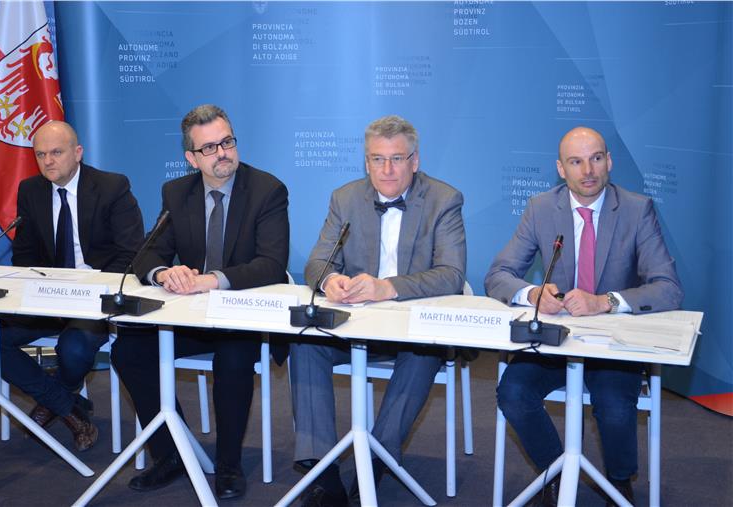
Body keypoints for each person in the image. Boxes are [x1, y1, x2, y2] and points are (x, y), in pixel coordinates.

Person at [484, 126, 683, 506]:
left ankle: (619, 482)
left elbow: (668, 288)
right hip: (555, 342)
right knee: (513, 393)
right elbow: (498, 275)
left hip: (613, 344)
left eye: (596, 159)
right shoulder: (542, 208)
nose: (587, 170)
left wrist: (606, 301)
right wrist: (532, 293)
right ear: (561, 169)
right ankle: (555, 471)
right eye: (576, 162)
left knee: (614, 407)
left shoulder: (637, 209)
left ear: (609, 161)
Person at [112, 104, 289, 500]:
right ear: (191, 159)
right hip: (191, 316)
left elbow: (271, 265)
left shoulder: (267, 190)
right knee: (129, 350)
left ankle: (228, 464)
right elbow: (147, 254)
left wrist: (210, 281)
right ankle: (171, 454)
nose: (222, 153)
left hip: (241, 316)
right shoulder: (177, 193)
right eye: (209, 148)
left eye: (227, 142)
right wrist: (165, 273)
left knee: (233, 358)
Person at [290, 115, 466, 506]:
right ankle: (322, 472)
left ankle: (377, 457)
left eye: (397, 159)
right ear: (366, 162)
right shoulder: (345, 198)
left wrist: (388, 288)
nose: (386, 170)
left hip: (411, 326)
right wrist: (329, 280)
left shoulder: (444, 199)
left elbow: (452, 275)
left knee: (423, 352)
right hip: (356, 324)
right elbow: (317, 262)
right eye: (377, 159)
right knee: (305, 343)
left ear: (415, 161)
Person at [0, 120, 145, 452]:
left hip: (95, 301)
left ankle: (57, 401)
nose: (48, 161)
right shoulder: (31, 190)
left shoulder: (112, 187)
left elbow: (131, 254)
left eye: (56, 152)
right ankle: (69, 408)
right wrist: (42, 292)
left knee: (74, 349)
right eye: (40, 155)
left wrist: (88, 292)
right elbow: (24, 257)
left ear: (77, 153)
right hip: (48, 299)